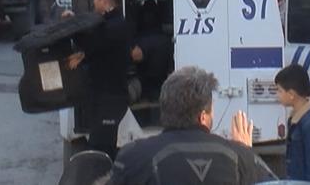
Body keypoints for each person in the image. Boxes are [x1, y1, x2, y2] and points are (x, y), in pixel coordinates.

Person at [108, 67, 273, 185]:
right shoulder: (241, 157)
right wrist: (245, 154)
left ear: (165, 109)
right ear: (203, 116)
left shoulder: (132, 156)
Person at [65, 0, 132, 158]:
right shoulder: (109, 23)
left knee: (100, 149)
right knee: (101, 146)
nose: (94, 2)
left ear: (104, 1)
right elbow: (96, 46)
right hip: (102, 98)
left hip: (111, 99)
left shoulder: (115, 26)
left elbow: (91, 42)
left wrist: (71, 25)